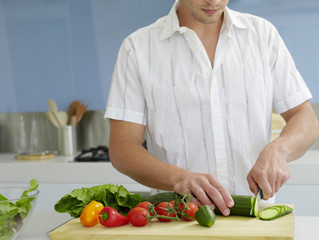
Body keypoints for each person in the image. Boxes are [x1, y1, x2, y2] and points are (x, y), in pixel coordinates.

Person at [104, 0, 319, 216]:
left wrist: (279, 151)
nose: (214, 1)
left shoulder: (262, 35)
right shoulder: (138, 48)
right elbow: (123, 148)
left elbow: (305, 119)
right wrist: (178, 177)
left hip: (255, 220)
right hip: (179, 221)